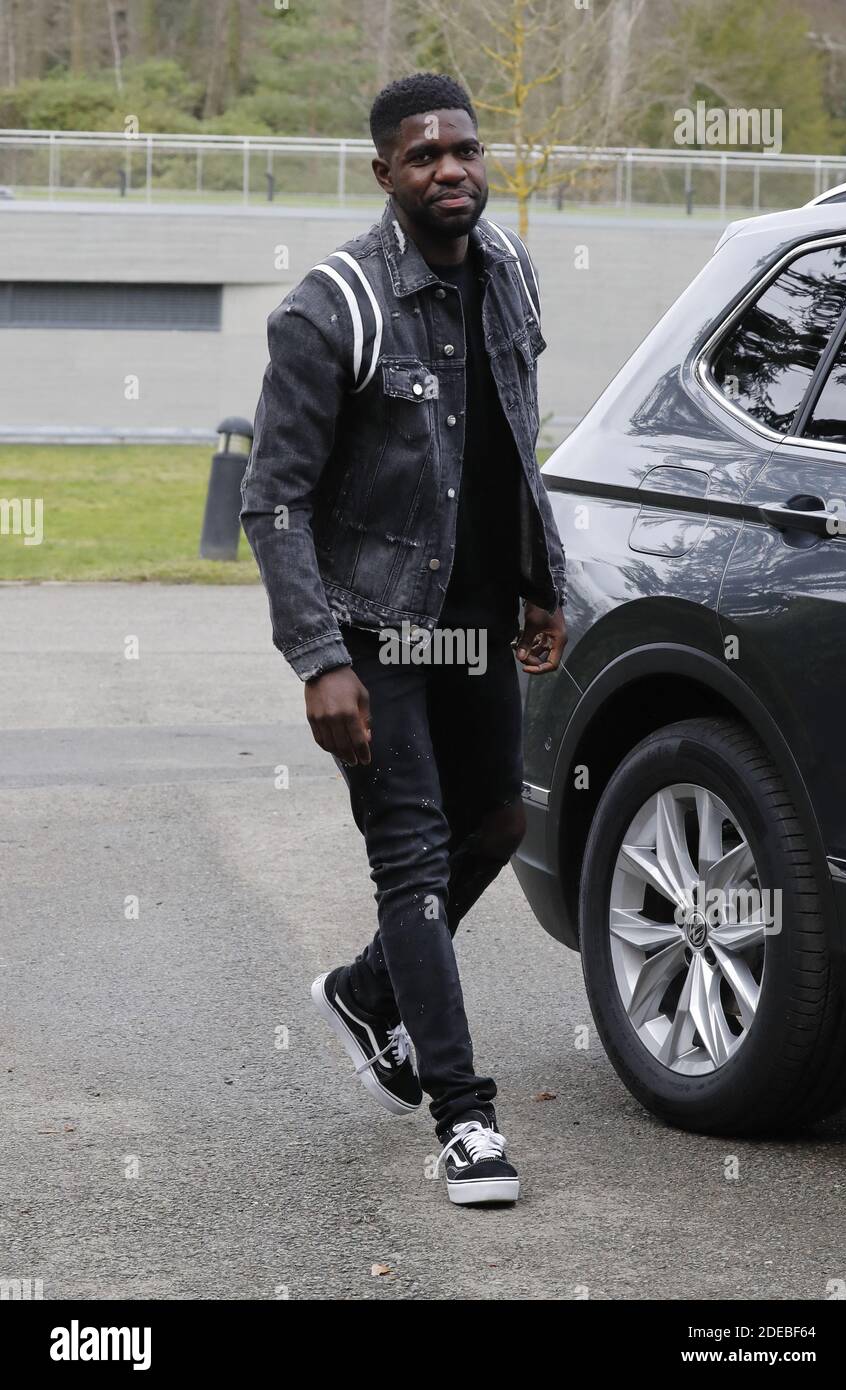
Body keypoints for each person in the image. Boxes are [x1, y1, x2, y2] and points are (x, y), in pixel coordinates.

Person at [241, 72, 568, 1206]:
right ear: (383, 173)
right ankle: (464, 1117)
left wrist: (539, 579)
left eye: (465, 150)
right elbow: (272, 499)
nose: (450, 170)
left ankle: (368, 989)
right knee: (414, 859)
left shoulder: (510, 271)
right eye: (423, 156)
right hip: (378, 629)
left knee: (498, 820)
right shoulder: (332, 306)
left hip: (474, 620)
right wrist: (318, 658)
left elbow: (518, 439)